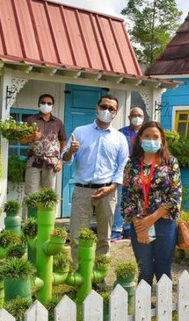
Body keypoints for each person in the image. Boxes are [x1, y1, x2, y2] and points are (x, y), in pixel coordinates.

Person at [62, 94, 129, 265]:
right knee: (77, 235)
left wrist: (113, 187)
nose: (107, 110)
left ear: (115, 113)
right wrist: (70, 151)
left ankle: (99, 273)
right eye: (104, 106)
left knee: (104, 236)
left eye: (111, 108)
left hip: (107, 191)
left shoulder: (119, 138)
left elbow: (123, 166)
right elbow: (66, 159)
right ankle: (79, 272)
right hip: (82, 190)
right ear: (97, 108)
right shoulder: (80, 132)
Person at [121, 121, 181, 285]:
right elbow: (126, 197)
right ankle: (143, 302)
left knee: (163, 271)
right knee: (144, 271)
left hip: (165, 223)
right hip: (139, 224)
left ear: (162, 139)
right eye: (147, 136)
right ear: (140, 138)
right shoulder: (131, 164)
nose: (151, 140)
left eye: (155, 136)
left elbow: (175, 196)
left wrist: (151, 219)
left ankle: (164, 302)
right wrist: (140, 225)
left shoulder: (170, 162)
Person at [21, 94, 67, 219]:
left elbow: (63, 141)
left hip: (51, 162)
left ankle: (47, 222)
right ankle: (28, 223)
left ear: (52, 105)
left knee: (49, 195)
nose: (46, 105)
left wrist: (60, 161)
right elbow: (22, 140)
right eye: (43, 102)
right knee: (31, 194)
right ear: (38, 104)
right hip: (34, 161)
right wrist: (31, 136)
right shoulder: (30, 120)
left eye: (49, 103)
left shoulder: (58, 122)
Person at [112, 106, 146, 242]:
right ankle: (116, 229)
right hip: (124, 172)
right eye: (134, 115)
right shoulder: (121, 133)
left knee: (137, 201)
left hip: (142, 173)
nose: (137, 118)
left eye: (140, 115)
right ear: (129, 117)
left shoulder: (146, 133)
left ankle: (128, 229)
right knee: (121, 200)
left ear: (143, 118)